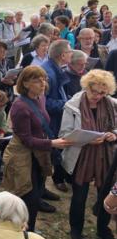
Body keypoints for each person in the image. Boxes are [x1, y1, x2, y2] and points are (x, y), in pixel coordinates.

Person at [2, 66, 72, 231]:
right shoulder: (20, 107)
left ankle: (29, 230)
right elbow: (26, 140)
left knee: (37, 192)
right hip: (23, 156)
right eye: (36, 80)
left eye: (44, 79)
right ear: (25, 83)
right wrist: (52, 143)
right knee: (27, 197)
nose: (42, 84)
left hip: (38, 154)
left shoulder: (40, 98)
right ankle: (23, 232)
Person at [59, 70, 117, 239]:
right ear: (86, 86)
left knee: (106, 194)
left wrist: (114, 134)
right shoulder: (73, 105)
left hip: (105, 156)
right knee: (79, 196)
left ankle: (103, 230)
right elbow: (65, 134)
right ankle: (76, 230)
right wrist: (88, 139)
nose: (98, 96)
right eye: (94, 91)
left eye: (102, 93)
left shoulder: (112, 104)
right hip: (81, 156)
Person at [41, 40, 73, 192]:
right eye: (69, 51)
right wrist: (66, 104)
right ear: (62, 55)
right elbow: (43, 102)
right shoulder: (48, 72)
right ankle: (40, 191)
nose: (71, 53)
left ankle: (43, 189)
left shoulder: (55, 68)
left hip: (56, 119)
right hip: (49, 122)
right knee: (44, 157)